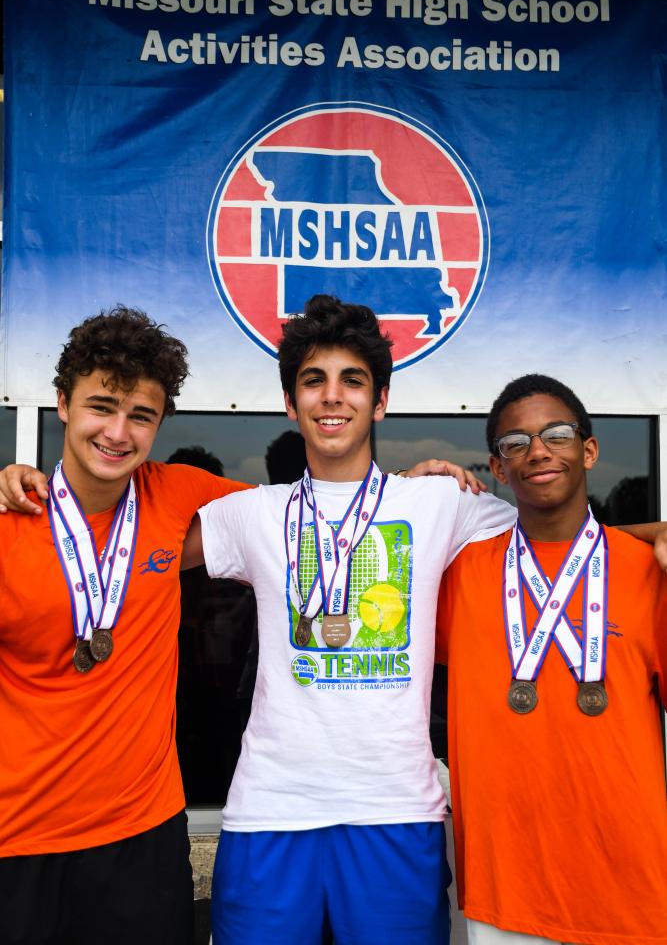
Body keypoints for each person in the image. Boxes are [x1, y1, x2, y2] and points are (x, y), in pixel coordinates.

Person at [182, 294, 519, 945]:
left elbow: (569, 541)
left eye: (351, 381)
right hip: (271, 813)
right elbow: (139, 549)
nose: (331, 397)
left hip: (394, 813)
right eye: (313, 380)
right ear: (290, 404)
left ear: (380, 401)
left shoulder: (437, 501)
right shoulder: (253, 512)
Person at [0, 307, 250, 945]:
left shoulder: (177, 492)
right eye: (101, 406)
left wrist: (417, 486)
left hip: (142, 834)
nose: (118, 432)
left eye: (141, 415)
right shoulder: (9, 519)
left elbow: (317, 513)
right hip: (17, 837)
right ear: (61, 402)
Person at [437, 374, 667, 945]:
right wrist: (409, 487)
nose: (536, 451)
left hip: (631, 884)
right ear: (498, 468)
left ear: (588, 449)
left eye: (556, 435)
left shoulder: (648, 571)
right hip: (506, 891)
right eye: (515, 443)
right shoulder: (460, 576)